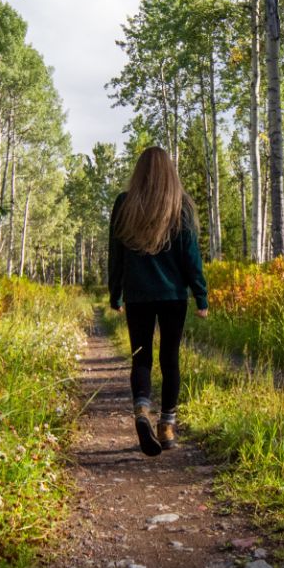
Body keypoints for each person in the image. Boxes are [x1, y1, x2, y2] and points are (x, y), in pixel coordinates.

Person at [108, 146, 208, 456]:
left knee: (141, 357)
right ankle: (167, 426)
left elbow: (116, 255)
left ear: (139, 172)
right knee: (170, 358)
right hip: (172, 297)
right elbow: (191, 257)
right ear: (170, 172)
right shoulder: (180, 206)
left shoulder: (125, 203)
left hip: (138, 295)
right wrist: (200, 294)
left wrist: (116, 293)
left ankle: (141, 411)